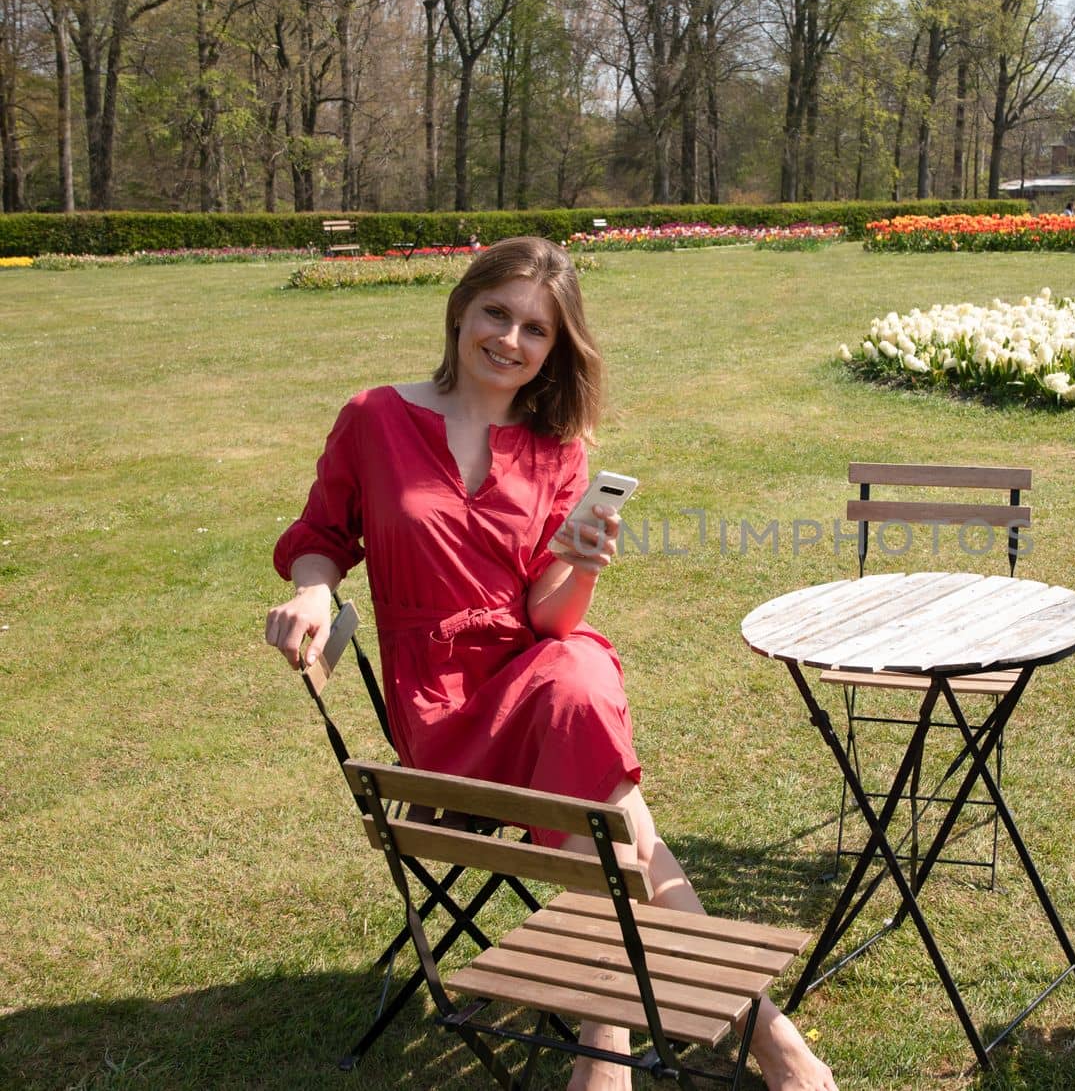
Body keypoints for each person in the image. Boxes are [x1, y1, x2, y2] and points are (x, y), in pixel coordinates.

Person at [264, 236, 837, 1091]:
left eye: (536, 330)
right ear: (462, 307)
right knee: (615, 805)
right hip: (443, 716)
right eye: (498, 312)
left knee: (576, 675)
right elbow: (319, 538)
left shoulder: (554, 450)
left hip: (539, 687)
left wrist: (584, 561)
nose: (511, 339)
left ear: (553, 349)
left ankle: (612, 1045)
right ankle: (758, 1029)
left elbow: (545, 616)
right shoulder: (375, 418)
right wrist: (314, 592)